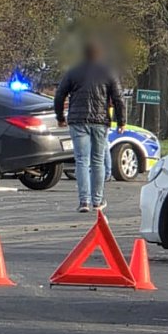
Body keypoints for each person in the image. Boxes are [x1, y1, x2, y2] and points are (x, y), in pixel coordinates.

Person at [54, 42, 125, 213]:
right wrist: (121, 121)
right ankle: (97, 201)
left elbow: (59, 95)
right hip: (100, 121)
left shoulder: (73, 71)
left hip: (78, 121)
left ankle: (83, 201)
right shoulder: (108, 71)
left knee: (82, 160)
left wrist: (60, 117)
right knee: (97, 160)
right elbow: (118, 98)